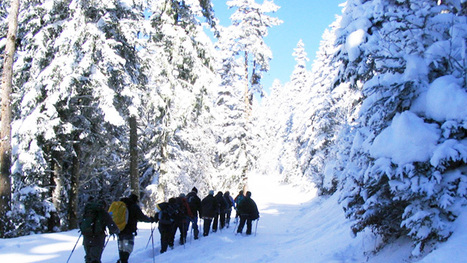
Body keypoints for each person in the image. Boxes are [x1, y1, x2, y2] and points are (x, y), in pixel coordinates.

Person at [117, 194, 155, 263]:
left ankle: (121, 260)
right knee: (127, 248)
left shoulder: (121, 205)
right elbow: (141, 217)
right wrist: (150, 220)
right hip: (129, 230)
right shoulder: (134, 206)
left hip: (120, 229)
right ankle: (123, 261)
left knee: (121, 248)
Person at [81, 199, 120, 263]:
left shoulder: (88, 211)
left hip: (86, 237)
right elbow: (111, 224)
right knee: (95, 258)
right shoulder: (103, 212)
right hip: (97, 238)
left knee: (88, 257)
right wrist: (117, 231)